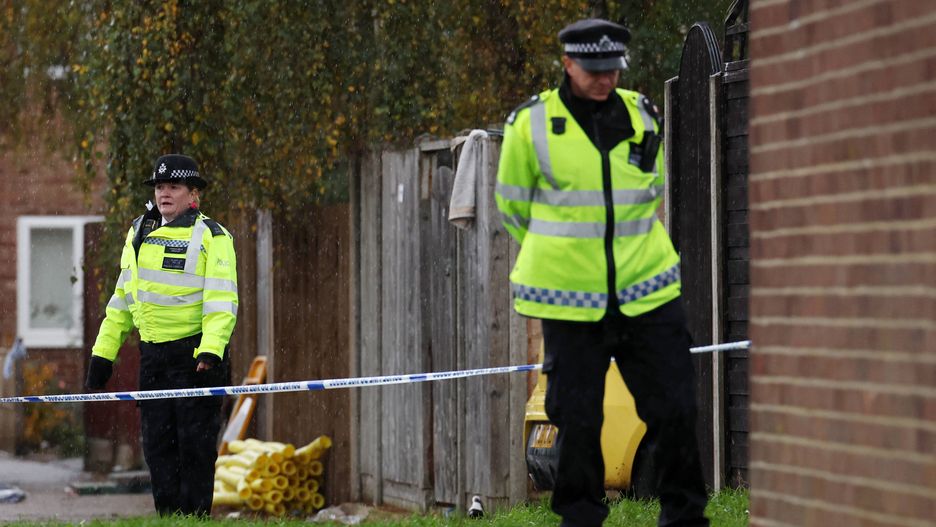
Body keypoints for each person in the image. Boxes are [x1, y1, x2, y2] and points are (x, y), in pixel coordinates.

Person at [495, 19, 709, 527]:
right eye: (594, 70)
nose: (605, 79)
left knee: (676, 410)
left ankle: (686, 518)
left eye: (613, 69)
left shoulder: (643, 116)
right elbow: (512, 207)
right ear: (568, 65)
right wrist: (571, 255)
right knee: (578, 420)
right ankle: (582, 519)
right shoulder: (531, 125)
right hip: (570, 302)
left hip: (647, 293)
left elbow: (650, 194)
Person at [85, 154, 238, 517]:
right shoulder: (138, 232)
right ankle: (168, 520)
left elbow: (222, 300)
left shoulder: (213, 236)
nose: (164, 193)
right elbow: (122, 299)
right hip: (153, 358)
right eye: (159, 187)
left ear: (192, 194)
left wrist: (211, 351)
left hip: (196, 358)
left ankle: (195, 520)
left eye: (174, 187)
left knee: (195, 447)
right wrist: (103, 355)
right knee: (157, 448)